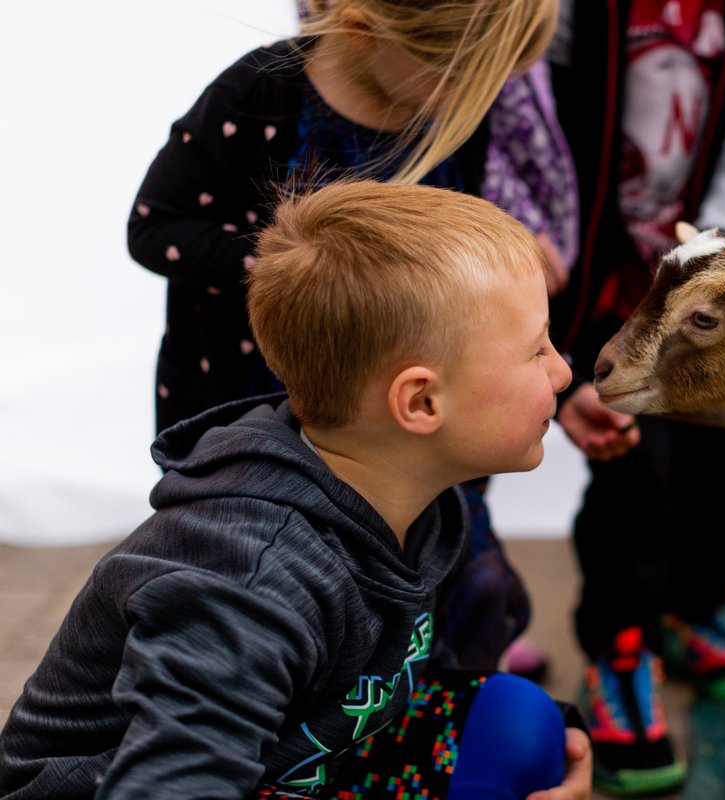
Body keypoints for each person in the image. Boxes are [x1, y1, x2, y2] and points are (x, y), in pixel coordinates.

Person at [0, 181, 588, 800]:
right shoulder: (252, 580)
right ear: (421, 401)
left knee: (520, 726)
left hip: (293, 757)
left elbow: (379, 685)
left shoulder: (418, 499)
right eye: (536, 349)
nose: (563, 370)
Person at [127, 0, 569, 678]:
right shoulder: (261, 93)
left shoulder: (453, 109)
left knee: (455, 579)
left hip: (410, 431)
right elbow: (155, 228)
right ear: (363, 30)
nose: (474, 100)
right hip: (262, 411)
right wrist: (301, 276)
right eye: (459, 77)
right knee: (299, 595)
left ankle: (434, 673)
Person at [546, 0, 725, 794]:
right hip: (600, 255)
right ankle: (620, 647)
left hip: (706, 260)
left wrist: (709, 258)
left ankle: (693, 606)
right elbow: (544, 83)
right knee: (634, 466)